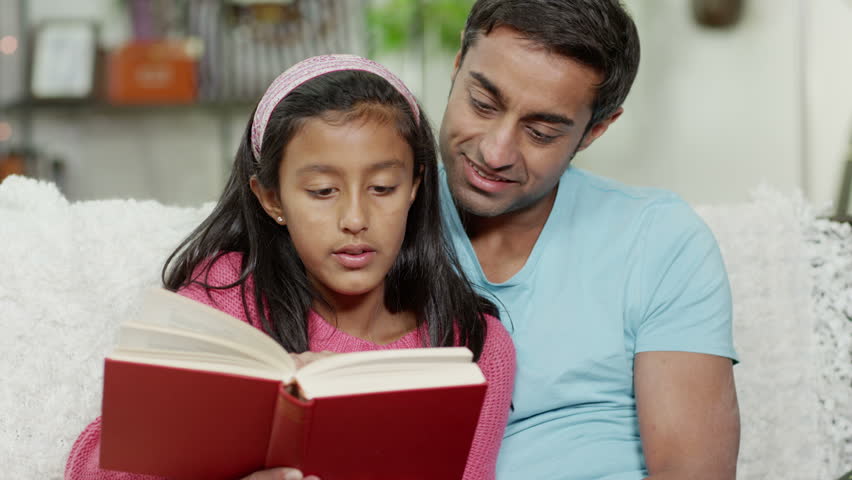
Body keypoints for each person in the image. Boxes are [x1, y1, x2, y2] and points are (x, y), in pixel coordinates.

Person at [64, 55, 515, 480]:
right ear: (272, 198)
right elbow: (95, 469)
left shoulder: (473, 345)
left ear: (415, 186)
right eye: (322, 191)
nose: (355, 219)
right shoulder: (226, 297)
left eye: (382, 187)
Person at [437, 1, 740, 479]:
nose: (495, 151)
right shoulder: (368, 219)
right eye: (482, 104)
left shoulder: (659, 240)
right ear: (458, 65)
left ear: (595, 130)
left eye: (540, 133)